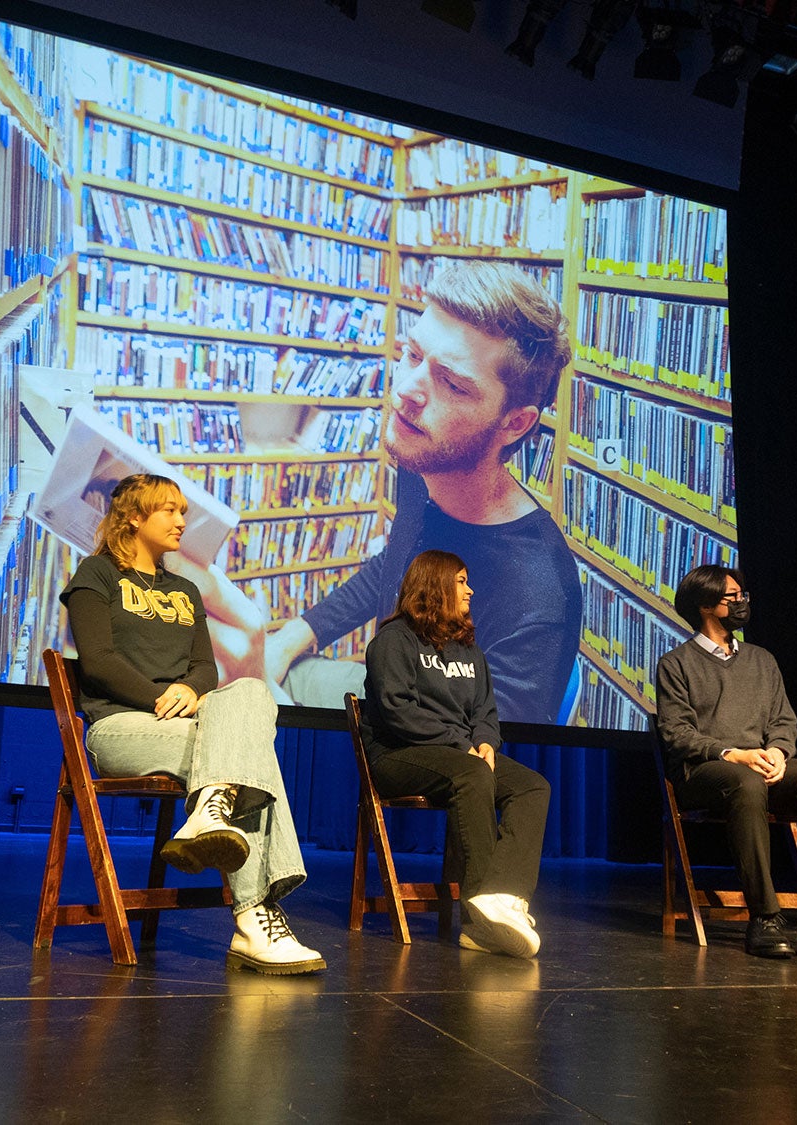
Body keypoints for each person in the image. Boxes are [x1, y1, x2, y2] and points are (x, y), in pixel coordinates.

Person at [263, 261, 581, 724]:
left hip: (425, 756)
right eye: (412, 355)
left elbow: (482, 769)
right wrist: (291, 637)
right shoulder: (425, 459)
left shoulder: (539, 596)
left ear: (515, 423)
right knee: (241, 671)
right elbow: (394, 564)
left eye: (452, 384)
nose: (408, 391)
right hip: (383, 697)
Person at [61, 473, 325, 975]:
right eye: (170, 510)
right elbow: (97, 662)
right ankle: (256, 915)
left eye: (184, 511)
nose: (183, 521)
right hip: (120, 728)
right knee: (249, 754)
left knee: (249, 690)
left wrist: (189, 689)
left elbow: (204, 668)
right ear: (134, 516)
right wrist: (161, 697)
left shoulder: (184, 588)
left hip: (190, 726)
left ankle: (212, 811)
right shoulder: (95, 575)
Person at [653, 565, 797, 965]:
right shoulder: (677, 664)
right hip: (707, 770)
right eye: (732, 597)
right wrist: (732, 753)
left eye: (744, 596)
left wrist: (779, 751)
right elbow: (676, 733)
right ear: (706, 606)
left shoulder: (761, 660)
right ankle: (765, 915)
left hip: (762, 765)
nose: (742, 603)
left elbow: (783, 720)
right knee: (746, 784)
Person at [362, 550, 551, 958]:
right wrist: (458, 743)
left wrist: (485, 741)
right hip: (400, 755)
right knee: (473, 776)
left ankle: (502, 897)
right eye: (462, 581)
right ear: (436, 585)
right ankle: (479, 917)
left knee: (532, 787)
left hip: (462, 755)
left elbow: (486, 710)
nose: (471, 590)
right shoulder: (394, 640)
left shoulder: (469, 649)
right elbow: (398, 709)